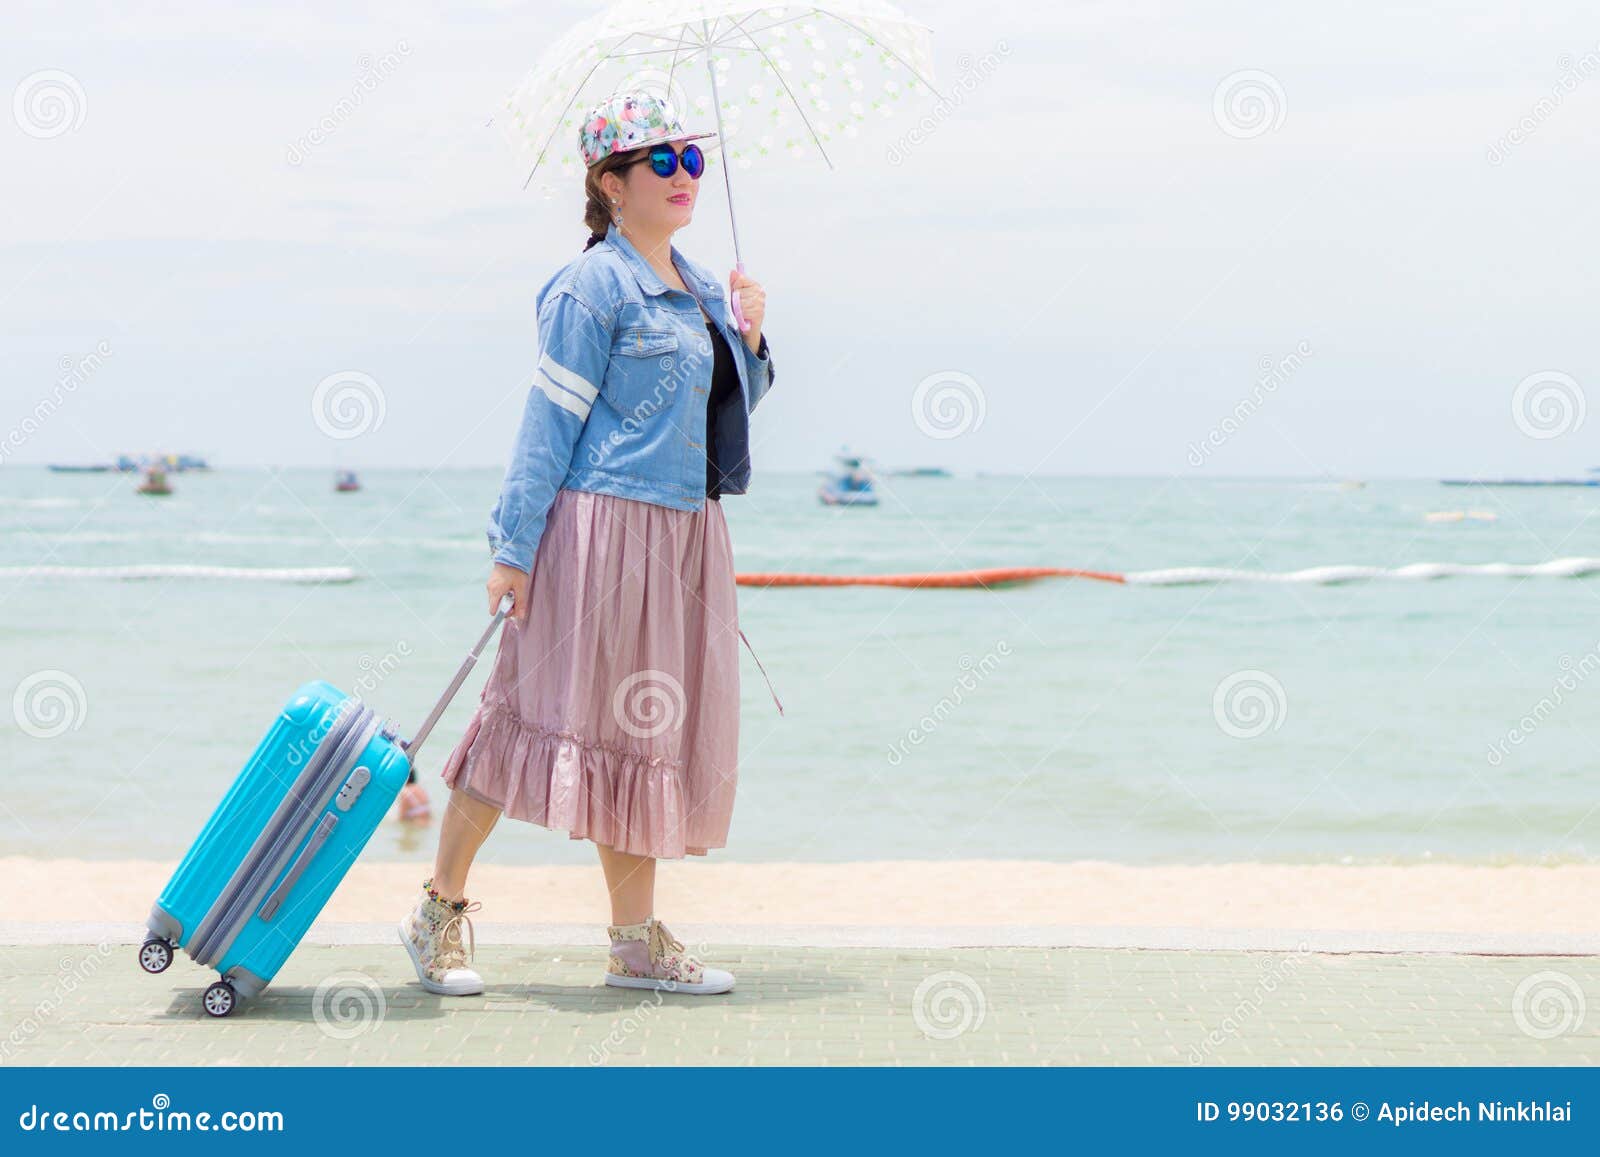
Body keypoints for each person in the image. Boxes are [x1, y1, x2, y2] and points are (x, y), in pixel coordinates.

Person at [399, 91, 777, 998]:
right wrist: (512, 549)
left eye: (694, 159)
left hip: (686, 531)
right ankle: (437, 913)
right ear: (611, 183)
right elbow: (548, 422)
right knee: (521, 718)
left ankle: (635, 944)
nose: (688, 176)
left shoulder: (700, 291)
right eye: (666, 162)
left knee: (643, 734)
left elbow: (724, 415)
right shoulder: (590, 286)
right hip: (599, 528)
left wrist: (752, 339)